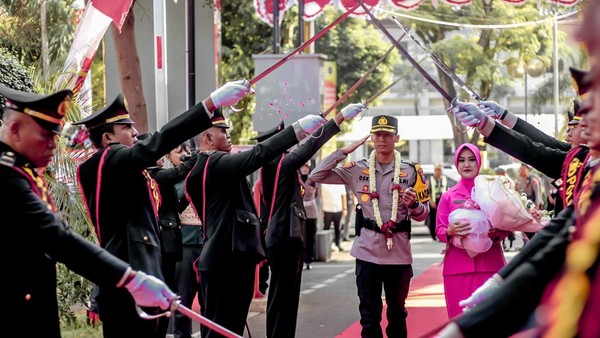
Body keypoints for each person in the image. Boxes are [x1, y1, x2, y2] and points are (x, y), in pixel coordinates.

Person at [75, 80, 250, 337]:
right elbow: (162, 139)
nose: (135, 133)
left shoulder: (124, 168)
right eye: (126, 128)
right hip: (126, 283)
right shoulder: (108, 160)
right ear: (107, 138)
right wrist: (210, 104)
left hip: (140, 278)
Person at [0, 84, 177, 337]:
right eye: (46, 135)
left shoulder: (21, 172)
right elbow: (57, 237)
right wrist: (130, 279)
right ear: (15, 129)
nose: (53, 144)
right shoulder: (7, 177)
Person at [185, 112, 326, 337]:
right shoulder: (214, 164)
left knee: (231, 328)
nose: (229, 135)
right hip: (224, 260)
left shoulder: (213, 165)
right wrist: (299, 129)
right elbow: (260, 154)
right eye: (223, 131)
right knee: (222, 330)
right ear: (208, 139)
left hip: (231, 258)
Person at [309, 114, 430, 338]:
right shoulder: (358, 169)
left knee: (397, 314)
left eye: (387, 135)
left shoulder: (412, 171)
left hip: (399, 255)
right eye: (377, 135)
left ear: (397, 138)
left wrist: (413, 205)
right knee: (369, 315)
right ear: (371, 138)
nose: (382, 139)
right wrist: (343, 151)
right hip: (367, 253)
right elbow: (317, 175)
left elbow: (424, 215)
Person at [260, 104, 366, 338]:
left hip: (286, 237)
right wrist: (337, 119)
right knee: (282, 299)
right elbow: (308, 148)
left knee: (286, 299)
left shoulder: (278, 163)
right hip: (283, 238)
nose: (290, 144)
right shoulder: (276, 162)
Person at [435, 143, 508, 318]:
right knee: (460, 320)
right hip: (456, 269)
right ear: (456, 164)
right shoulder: (448, 196)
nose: (466, 164)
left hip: (490, 265)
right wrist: (450, 231)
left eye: (471, 160)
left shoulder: (492, 193)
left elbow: (506, 225)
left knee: (491, 320)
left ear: (479, 162)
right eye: (461, 160)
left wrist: (497, 233)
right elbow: (439, 229)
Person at [301, 162, 318, 270]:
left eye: (307, 167)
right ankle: (301, 259)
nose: (305, 169)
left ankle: (309, 260)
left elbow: (316, 194)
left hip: (311, 212)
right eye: (303, 166)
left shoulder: (313, 180)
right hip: (301, 213)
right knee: (301, 238)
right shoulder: (297, 180)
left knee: (311, 237)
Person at [321, 182, 347, 251]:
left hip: (338, 209)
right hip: (326, 209)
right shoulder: (323, 184)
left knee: (338, 228)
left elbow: (343, 196)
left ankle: (338, 244)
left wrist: (344, 208)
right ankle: (325, 246)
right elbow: (320, 197)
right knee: (326, 228)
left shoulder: (340, 183)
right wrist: (321, 211)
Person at [426, 163, 449, 241]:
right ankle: (433, 234)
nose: (439, 172)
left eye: (440, 170)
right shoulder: (430, 179)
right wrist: (430, 201)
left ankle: (442, 234)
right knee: (433, 219)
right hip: (433, 201)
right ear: (435, 171)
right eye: (437, 170)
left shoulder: (445, 178)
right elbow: (426, 192)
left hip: (442, 201)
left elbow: (447, 190)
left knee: (442, 218)